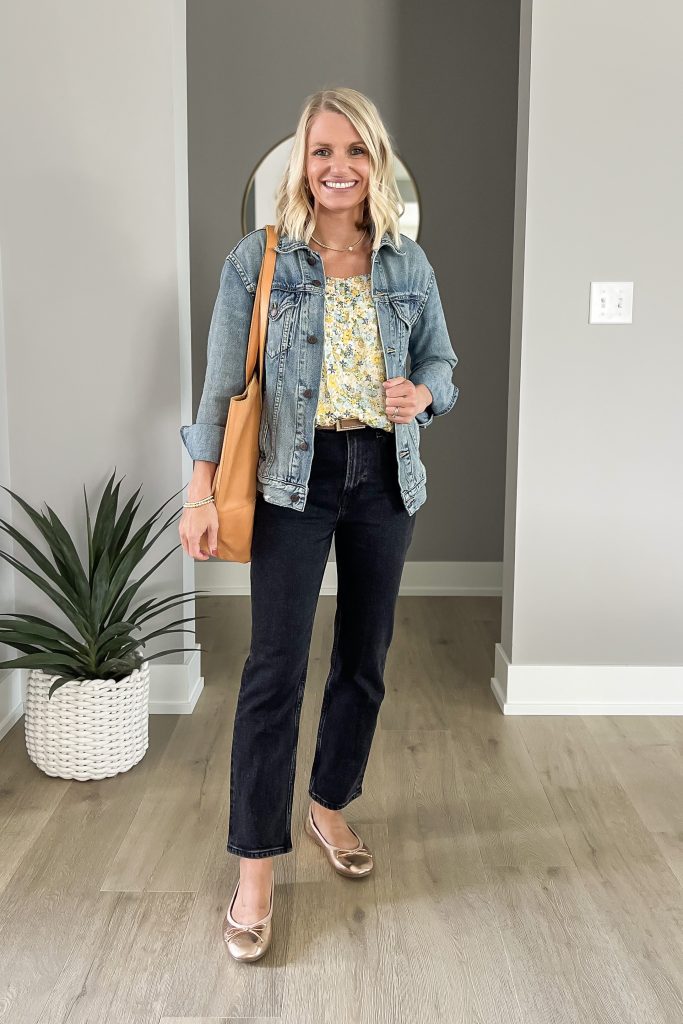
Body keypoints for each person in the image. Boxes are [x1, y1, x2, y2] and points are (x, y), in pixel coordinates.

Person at [178, 86, 460, 962]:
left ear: (376, 161)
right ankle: (256, 866)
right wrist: (197, 488)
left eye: (355, 151)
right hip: (291, 482)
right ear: (301, 163)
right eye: (321, 151)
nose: (337, 167)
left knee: (363, 661)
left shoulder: (405, 263)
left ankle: (329, 804)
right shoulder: (258, 260)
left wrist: (425, 394)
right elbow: (224, 384)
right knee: (272, 673)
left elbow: (441, 364)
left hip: (383, 476)